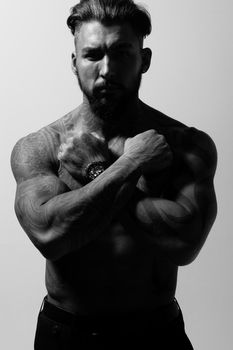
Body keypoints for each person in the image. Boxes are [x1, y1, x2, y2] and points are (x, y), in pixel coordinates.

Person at [11, 0, 217, 349]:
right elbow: (49, 234)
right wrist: (128, 165)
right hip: (65, 335)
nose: (107, 69)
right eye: (93, 55)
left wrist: (96, 170)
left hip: (156, 334)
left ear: (144, 60)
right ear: (75, 63)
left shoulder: (185, 144)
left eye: (122, 53)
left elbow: (185, 243)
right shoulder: (41, 147)